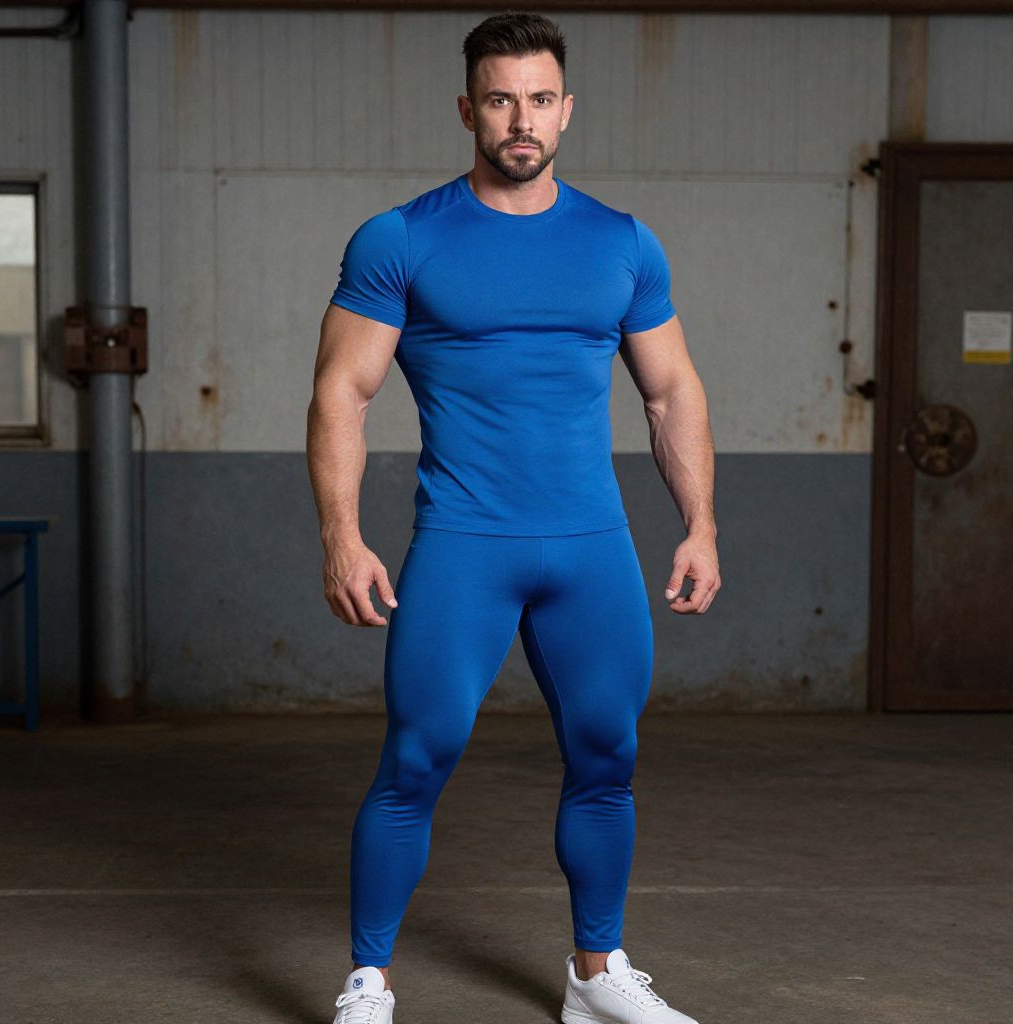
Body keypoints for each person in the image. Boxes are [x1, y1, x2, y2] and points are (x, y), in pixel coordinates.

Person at [306, 11, 719, 1024]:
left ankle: (595, 973)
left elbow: (672, 393)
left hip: (590, 545)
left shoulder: (620, 243)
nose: (520, 118)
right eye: (499, 98)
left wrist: (700, 524)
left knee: (606, 753)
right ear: (467, 109)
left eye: (539, 99)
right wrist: (341, 535)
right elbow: (341, 395)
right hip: (463, 542)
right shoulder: (402, 238)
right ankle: (368, 981)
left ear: (566, 111)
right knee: (417, 755)